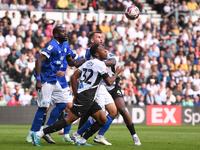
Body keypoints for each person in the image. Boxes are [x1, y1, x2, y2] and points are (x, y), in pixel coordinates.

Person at [31, 44, 122, 146]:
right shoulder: (101, 64)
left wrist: (76, 94)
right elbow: (109, 82)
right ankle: (39, 134)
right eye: (103, 50)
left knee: (102, 119)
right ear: (97, 54)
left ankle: (82, 140)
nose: (106, 51)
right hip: (86, 97)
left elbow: (74, 77)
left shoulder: (87, 63)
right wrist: (116, 73)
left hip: (87, 97)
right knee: (68, 121)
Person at [26, 26, 80, 144]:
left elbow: (71, 62)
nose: (66, 34)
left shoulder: (65, 45)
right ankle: (33, 133)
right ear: (56, 35)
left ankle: (45, 130)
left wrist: (87, 61)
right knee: (43, 107)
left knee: (62, 104)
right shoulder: (53, 45)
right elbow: (39, 60)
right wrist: (39, 80)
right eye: (63, 32)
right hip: (45, 80)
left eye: (66, 32)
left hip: (54, 80)